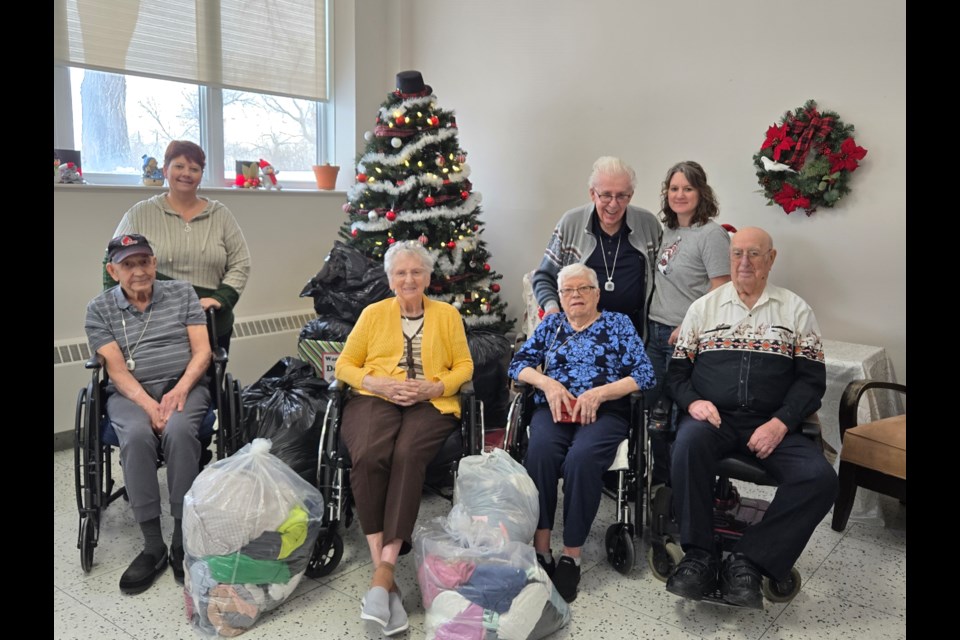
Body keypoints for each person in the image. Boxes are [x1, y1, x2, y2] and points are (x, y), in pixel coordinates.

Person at [664, 227, 837, 609]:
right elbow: (676, 375)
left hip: (772, 422)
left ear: (770, 259)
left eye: (754, 254)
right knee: (687, 445)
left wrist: (780, 423)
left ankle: (750, 560)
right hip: (714, 420)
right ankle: (699, 556)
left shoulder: (795, 310)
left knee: (821, 478)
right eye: (737, 253)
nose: (744, 262)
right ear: (729, 258)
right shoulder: (703, 308)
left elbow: (811, 381)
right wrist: (693, 403)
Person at [335, 240, 474, 635]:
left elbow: (465, 365)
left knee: (408, 454)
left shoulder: (447, 315)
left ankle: (383, 574)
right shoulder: (373, 314)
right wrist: (377, 383)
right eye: (401, 272)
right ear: (390, 278)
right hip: (375, 396)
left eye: (416, 272)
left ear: (429, 277)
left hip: (430, 401)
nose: (409, 279)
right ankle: (386, 573)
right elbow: (344, 365)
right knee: (367, 454)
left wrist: (435, 387)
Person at [509, 263, 656, 603]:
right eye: (567, 291)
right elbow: (518, 364)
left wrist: (600, 393)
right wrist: (547, 383)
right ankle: (542, 550)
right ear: (559, 296)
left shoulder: (618, 323)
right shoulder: (552, 325)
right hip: (555, 409)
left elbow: (645, 374)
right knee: (541, 453)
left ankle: (571, 554)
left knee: (581, 459)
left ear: (596, 293)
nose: (575, 296)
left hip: (604, 411)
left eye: (582, 289)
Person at [84, 234, 212, 594]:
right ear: (113, 270)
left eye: (144, 262)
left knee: (180, 431)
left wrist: (180, 389)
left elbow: (202, 351)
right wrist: (149, 405)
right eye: (128, 264)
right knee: (138, 435)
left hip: (183, 384)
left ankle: (182, 539)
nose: (138, 271)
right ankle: (153, 544)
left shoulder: (182, 293)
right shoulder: (99, 309)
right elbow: (117, 371)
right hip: (130, 393)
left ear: (154, 264)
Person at [107, 140, 251, 352]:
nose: (186, 173)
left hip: (210, 322)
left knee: (209, 383)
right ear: (165, 170)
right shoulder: (140, 213)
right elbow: (110, 260)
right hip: (153, 324)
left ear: (201, 175)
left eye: (194, 169)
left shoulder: (220, 215)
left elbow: (241, 263)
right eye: (179, 166)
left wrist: (220, 299)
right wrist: (116, 308)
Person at [646, 161, 731, 483]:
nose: (679, 195)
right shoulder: (666, 231)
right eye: (674, 188)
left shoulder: (711, 234)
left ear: (701, 192)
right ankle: (655, 482)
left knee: (675, 417)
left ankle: (675, 489)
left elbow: (721, 288)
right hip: (653, 335)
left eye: (688, 188)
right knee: (650, 413)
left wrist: (690, 325)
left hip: (684, 338)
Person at [532, 156, 661, 339]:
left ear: (630, 195)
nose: (614, 204)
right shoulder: (571, 223)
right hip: (577, 336)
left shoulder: (648, 225)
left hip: (631, 337)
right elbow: (543, 277)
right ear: (592, 194)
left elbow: (665, 279)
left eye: (622, 196)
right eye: (606, 195)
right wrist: (552, 309)